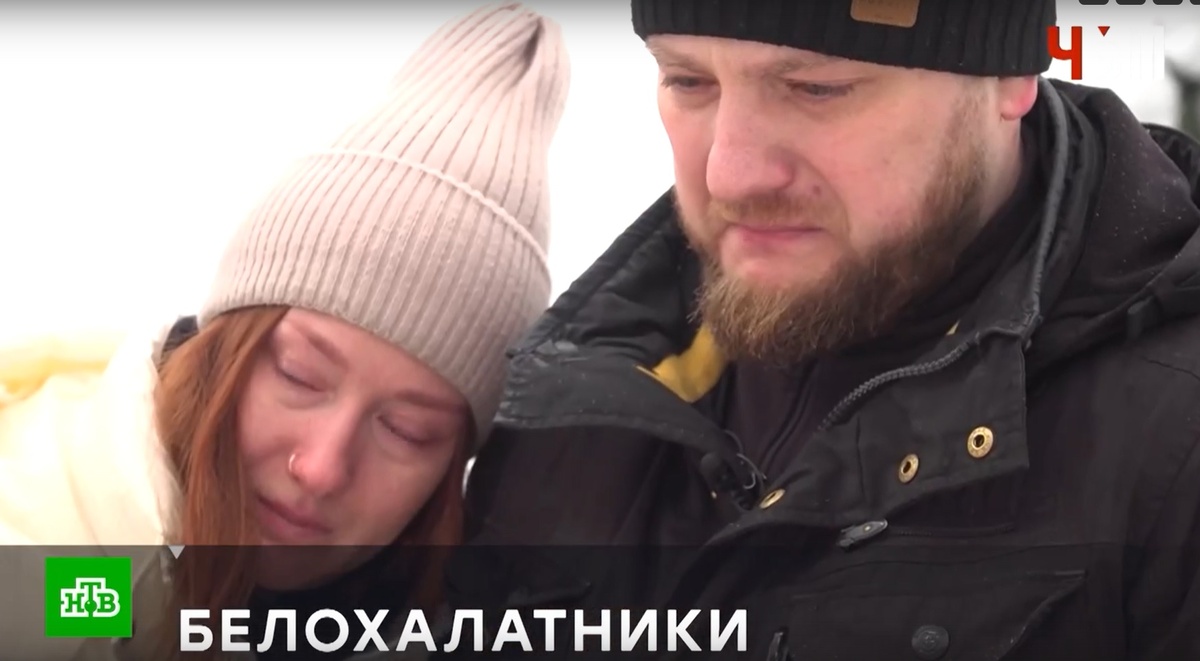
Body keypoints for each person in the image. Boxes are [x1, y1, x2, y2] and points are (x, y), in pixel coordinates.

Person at [453, 0, 1200, 659]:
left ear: (1009, 76)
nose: (730, 174)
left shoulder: (1171, 449)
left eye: (817, 88)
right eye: (688, 81)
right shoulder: (567, 401)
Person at [0, 3, 568, 660]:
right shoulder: (59, 554)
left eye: (407, 430)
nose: (321, 468)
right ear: (222, 345)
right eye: (300, 375)